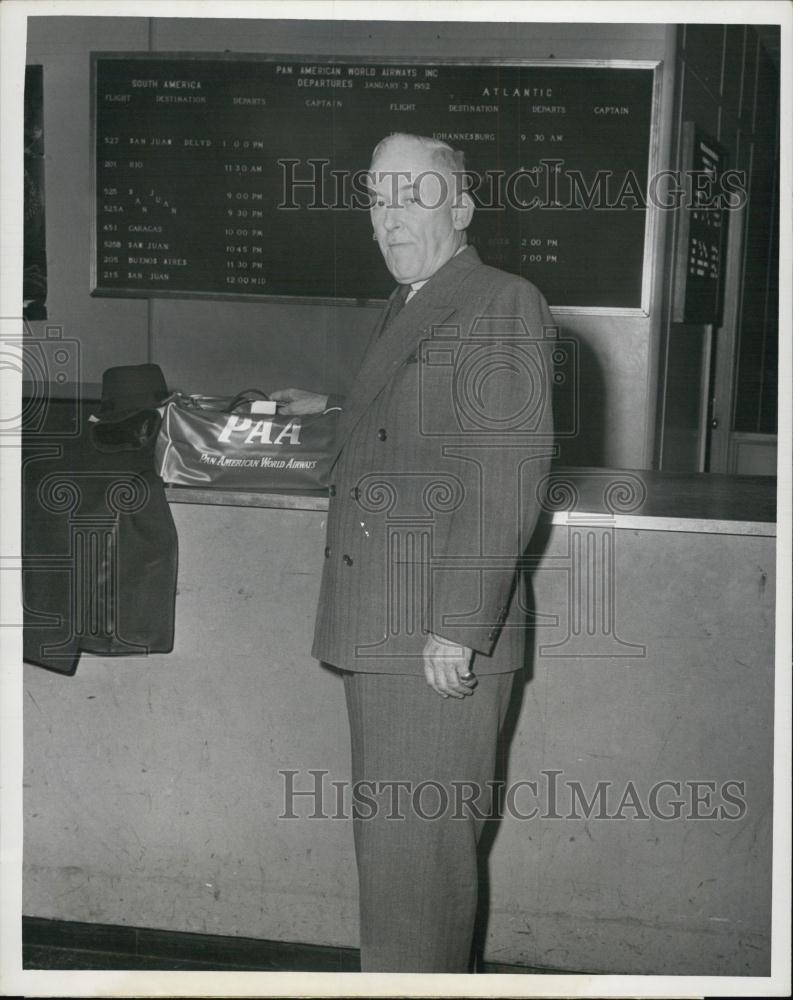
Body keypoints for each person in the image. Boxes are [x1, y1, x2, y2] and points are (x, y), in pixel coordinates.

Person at [271, 133, 555, 972]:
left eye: (412, 196)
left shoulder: (500, 299)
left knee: (414, 886)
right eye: (376, 198)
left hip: (430, 643)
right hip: (393, 636)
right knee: (402, 877)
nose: (389, 217)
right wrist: (330, 409)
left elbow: (505, 471)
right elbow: (414, 427)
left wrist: (457, 629)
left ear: (461, 208)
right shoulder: (415, 301)